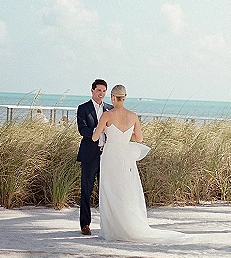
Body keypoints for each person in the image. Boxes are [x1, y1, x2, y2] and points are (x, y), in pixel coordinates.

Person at [92, 84, 186, 243]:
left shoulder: (107, 115)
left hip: (110, 156)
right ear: (125, 97)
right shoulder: (133, 116)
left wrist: (103, 131)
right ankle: (127, 224)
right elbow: (139, 138)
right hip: (125, 156)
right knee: (125, 189)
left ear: (113, 98)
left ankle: (113, 228)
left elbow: (95, 137)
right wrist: (126, 135)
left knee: (109, 190)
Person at [77, 79, 113, 235]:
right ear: (92, 91)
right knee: (86, 190)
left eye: (104, 91)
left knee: (106, 190)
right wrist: (99, 129)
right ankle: (85, 224)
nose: (101, 93)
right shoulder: (83, 108)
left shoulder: (110, 109)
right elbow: (82, 130)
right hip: (89, 155)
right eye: (99, 90)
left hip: (107, 154)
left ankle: (109, 225)